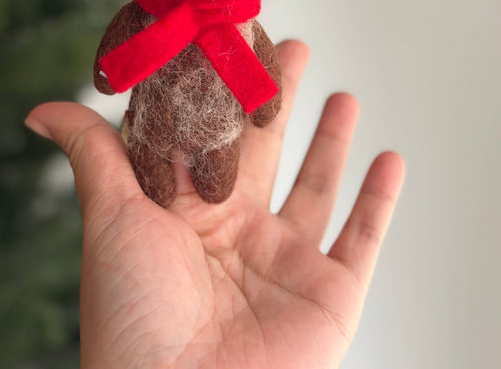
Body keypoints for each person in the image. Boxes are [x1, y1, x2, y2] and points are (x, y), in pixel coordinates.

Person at [25, 40, 404, 368]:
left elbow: (263, 92)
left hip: (217, 140)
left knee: (218, 163)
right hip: (158, 126)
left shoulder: (240, 27)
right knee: (158, 159)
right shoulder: (153, 11)